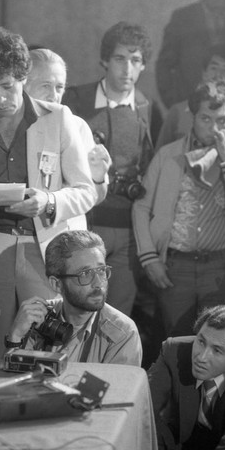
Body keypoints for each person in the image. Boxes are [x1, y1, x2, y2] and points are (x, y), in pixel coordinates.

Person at [0, 26, 98, 359]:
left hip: (44, 251)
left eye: (8, 86)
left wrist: (48, 200)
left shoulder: (59, 119)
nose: (0, 99)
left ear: (23, 77)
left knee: (48, 351)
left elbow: (86, 192)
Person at [62, 21, 157, 316]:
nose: (127, 68)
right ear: (105, 60)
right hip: (87, 223)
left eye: (136, 60)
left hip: (128, 229)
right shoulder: (76, 100)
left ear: (143, 65)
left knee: (119, 315)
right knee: (78, 310)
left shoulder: (146, 108)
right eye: (120, 59)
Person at [133, 80, 225, 337]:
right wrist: (149, 258)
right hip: (176, 266)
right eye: (206, 119)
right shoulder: (168, 155)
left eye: (222, 121)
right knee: (176, 342)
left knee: (218, 343)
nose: (214, 128)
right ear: (193, 117)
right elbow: (141, 207)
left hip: (220, 268)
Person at [5, 230, 142, 366]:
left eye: (101, 270)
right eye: (85, 273)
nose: (98, 283)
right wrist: (15, 338)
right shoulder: (37, 318)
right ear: (57, 284)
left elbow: (118, 388)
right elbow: (13, 384)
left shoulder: (123, 333)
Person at [25, 47, 111, 203]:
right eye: (45, 86)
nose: (53, 96)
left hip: (65, 225)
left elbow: (96, 197)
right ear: (24, 86)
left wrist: (98, 178)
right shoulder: (10, 125)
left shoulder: (78, 127)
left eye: (59, 87)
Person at [148, 304, 225, 450]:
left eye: (217, 350)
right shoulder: (173, 351)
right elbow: (145, 408)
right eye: (201, 341)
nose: (202, 357)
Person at [156, 0, 225, 110]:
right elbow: (164, 65)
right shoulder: (182, 18)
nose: (221, 2)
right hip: (188, 106)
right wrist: (173, 103)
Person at [156, 43, 225, 152]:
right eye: (214, 68)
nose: (219, 75)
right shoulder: (178, 112)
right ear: (204, 73)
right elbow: (159, 156)